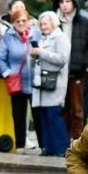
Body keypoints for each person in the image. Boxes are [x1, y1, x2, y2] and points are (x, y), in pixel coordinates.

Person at [52, 0, 88, 138]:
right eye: (61, 2)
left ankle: (77, 140)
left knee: (77, 109)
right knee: (61, 107)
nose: (64, 5)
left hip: (76, 72)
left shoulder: (84, 23)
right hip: (57, 72)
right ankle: (63, 139)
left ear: (74, 3)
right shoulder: (54, 23)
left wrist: (84, 62)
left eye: (68, 1)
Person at [0, 7, 35, 151]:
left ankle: (44, 146)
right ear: (13, 22)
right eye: (18, 21)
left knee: (37, 115)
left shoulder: (35, 34)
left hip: (34, 81)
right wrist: (7, 73)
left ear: (29, 21)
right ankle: (20, 145)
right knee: (18, 115)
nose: (21, 23)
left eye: (24, 20)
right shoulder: (8, 37)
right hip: (17, 82)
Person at [32, 11, 71, 156]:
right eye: (41, 24)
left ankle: (62, 148)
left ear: (53, 23)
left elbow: (62, 59)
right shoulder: (43, 38)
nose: (43, 26)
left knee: (54, 116)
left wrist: (41, 52)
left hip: (55, 83)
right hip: (42, 83)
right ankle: (48, 148)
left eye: (45, 23)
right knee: (44, 116)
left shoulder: (61, 38)